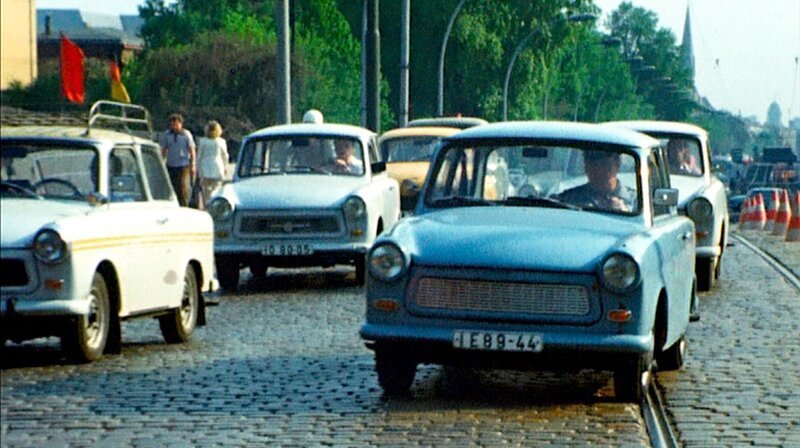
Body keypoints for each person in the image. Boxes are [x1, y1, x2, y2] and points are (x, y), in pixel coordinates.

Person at [558, 150, 636, 212]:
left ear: (617, 164)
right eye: (592, 162)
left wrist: (624, 212)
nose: (599, 169)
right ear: (586, 167)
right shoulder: (570, 198)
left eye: (604, 163)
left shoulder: (636, 200)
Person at [159, 113, 196, 206]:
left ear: (180, 124)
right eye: (172, 124)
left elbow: (192, 149)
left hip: (183, 165)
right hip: (171, 164)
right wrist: (161, 163)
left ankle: (184, 205)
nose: (174, 126)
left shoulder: (186, 135)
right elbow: (163, 150)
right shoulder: (167, 135)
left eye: (176, 124)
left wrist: (193, 164)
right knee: (171, 186)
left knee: (182, 187)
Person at [196, 120, 229, 209]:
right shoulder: (221, 142)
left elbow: (199, 157)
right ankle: (214, 206)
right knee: (217, 189)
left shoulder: (202, 141)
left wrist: (198, 169)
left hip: (205, 169)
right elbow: (225, 156)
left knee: (206, 191)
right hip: (218, 168)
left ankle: (207, 206)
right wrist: (226, 167)